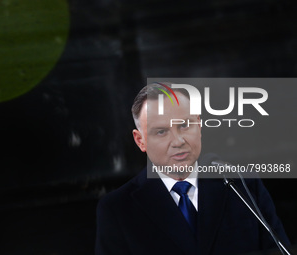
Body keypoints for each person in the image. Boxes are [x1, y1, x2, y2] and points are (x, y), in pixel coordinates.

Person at [95, 83, 290, 255]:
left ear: (199, 125)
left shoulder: (242, 184)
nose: (178, 141)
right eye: (162, 132)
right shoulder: (117, 210)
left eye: (185, 125)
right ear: (141, 141)